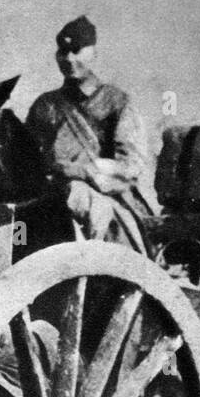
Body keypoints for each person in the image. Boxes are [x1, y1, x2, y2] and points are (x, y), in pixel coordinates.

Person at [25, 14, 158, 250]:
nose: (69, 59)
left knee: (80, 198)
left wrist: (81, 171)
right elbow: (27, 161)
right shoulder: (44, 106)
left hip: (105, 199)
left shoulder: (117, 102)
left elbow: (131, 166)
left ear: (94, 53)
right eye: (63, 52)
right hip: (48, 199)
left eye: (77, 50)